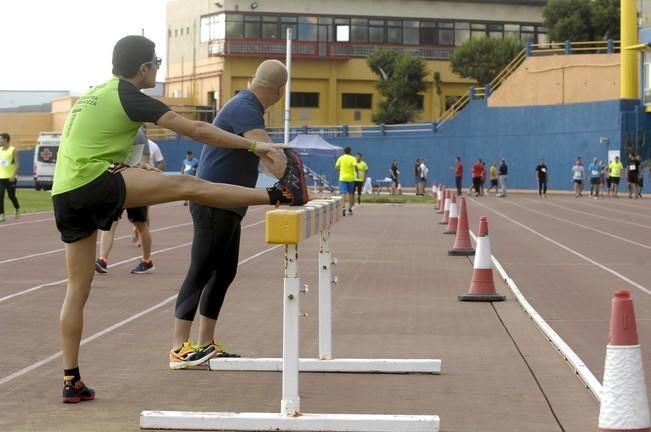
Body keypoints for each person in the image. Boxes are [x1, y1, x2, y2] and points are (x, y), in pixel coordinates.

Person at [52, 36, 307, 404]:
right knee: (192, 185)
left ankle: (71, 378)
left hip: (65, 193)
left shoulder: (92, 95)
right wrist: (255, 146)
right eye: (156, 62)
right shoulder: (130, 95)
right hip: (95, 180)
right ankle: (277, 195)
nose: (158, 67)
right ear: (143, 68)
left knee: (78, 289)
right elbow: (197, 130)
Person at [171, 59, 290, 370]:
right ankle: (178, 347)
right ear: (280, 91)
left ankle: (205, 344)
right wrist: (288, 173)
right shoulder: (244, 108)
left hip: (228, 202)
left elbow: (267, 157)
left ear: (254, 77)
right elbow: (271, 157)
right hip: (214, 200)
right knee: (201, 269)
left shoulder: (245, 105)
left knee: (223, 273)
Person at [95, 129, 155, 274]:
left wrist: (138, 167)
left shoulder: (138, 135)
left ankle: (147, 261)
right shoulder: (114, 132)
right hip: (117, 184)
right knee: (110, 223)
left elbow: (144, 160)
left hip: (135, 185)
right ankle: (102, 259)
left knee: (140, 224)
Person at [0, 132, 20, 221]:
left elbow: (17, 164)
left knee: (11, 196)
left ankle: (17, 208)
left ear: (5, 139)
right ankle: (1, 214)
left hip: (10, 178)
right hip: (1, 177)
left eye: (0, 139)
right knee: (0, 195)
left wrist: (13, 175)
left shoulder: (13, 150)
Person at [335, 146, 356, 215]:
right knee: (350, 193)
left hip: (342, 178)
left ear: (344, 151)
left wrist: (340, 170)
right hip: (351, 178)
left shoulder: (340, 158)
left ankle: (343, 207)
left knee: (343, 193)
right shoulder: (352, 158)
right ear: (350, 151)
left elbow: (336, 167)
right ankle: (350, 209)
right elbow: (355, 166)